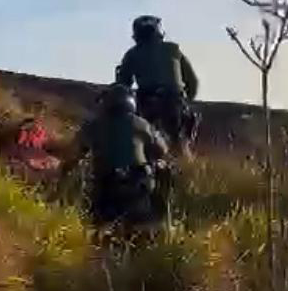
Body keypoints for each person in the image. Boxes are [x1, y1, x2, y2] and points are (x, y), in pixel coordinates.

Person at [64, 84, 170, 226]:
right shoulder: (142, 124)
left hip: (108, 187)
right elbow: (162, 150)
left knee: (96, 219)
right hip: (140, 185)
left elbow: (73, 154)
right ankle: (164, 222)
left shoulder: (94, 125)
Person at [115, 15, 199, 156]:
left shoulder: (131, 54)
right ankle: (185, 165)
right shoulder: (173, 49)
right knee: (179, 144)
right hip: (175, 102)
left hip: (147, 104)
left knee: (145, 144)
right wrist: (186, 101)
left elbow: (122, 87)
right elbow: (193, 82)